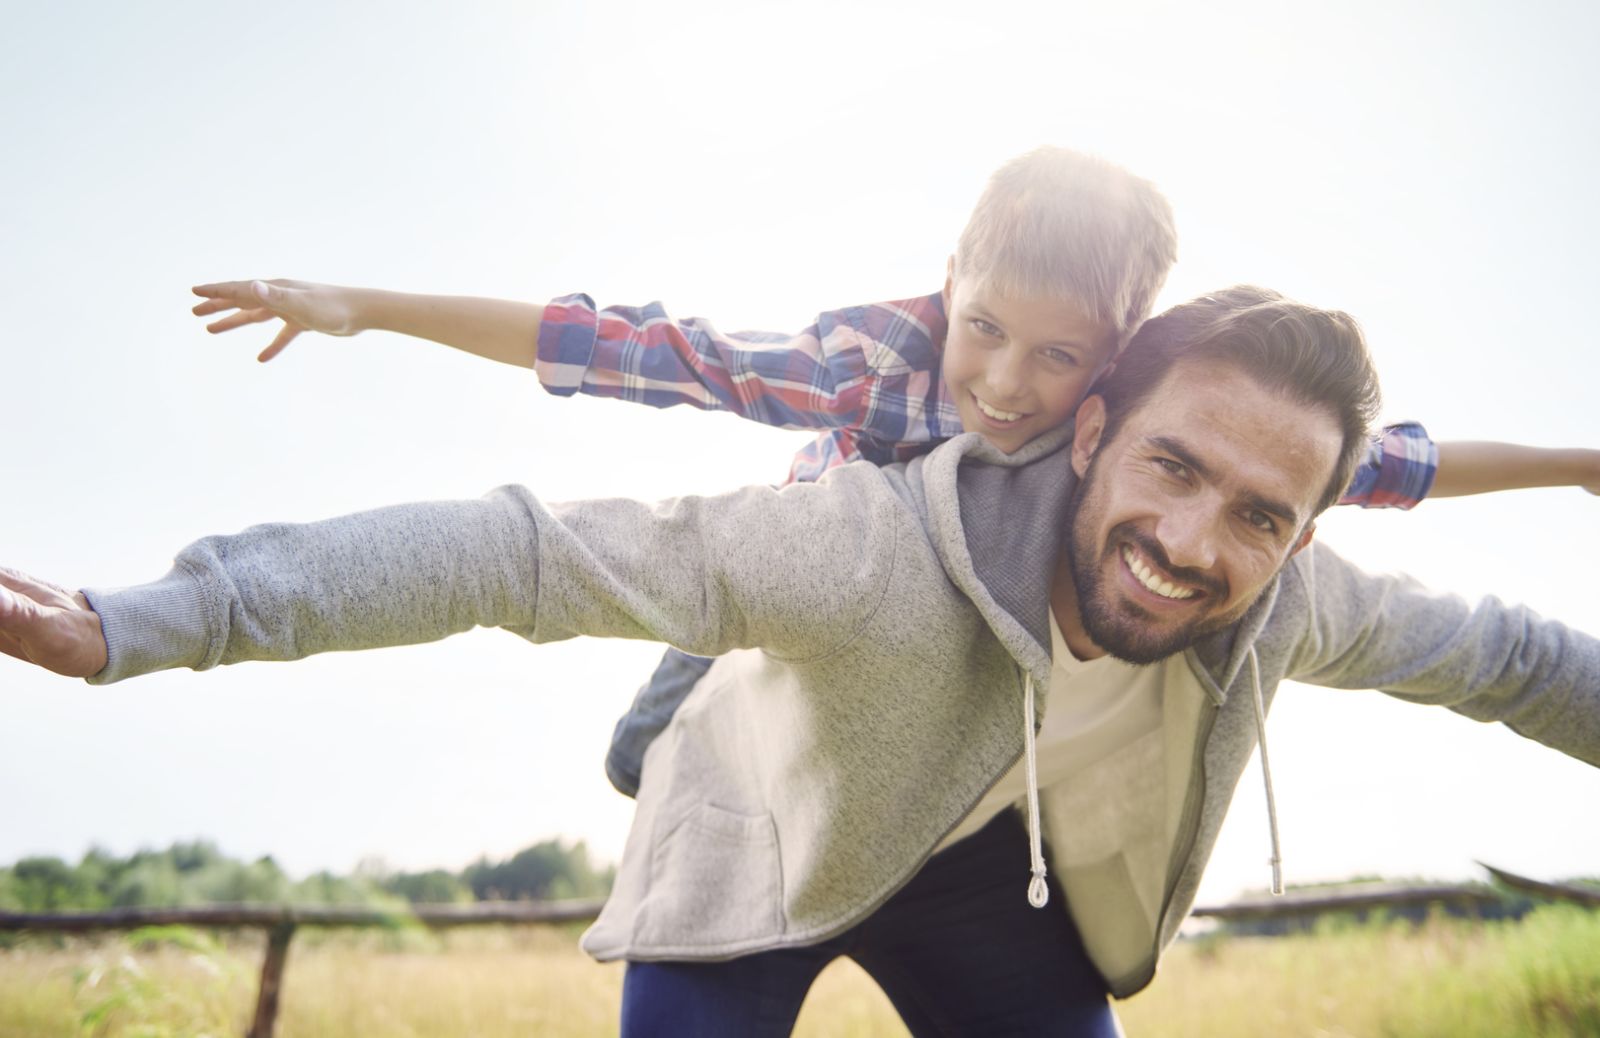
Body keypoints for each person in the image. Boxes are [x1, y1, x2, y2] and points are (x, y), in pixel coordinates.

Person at [4, 287, 1596, 1036]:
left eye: (1261, 511)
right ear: (1096, 430)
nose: (1193, 540)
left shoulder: (1285, 601)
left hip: (1003, 890)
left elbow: (1517, 657)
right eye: (1172, 469)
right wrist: (151, 618)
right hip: (758, 844)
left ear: (1311, 531)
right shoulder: (865, 541)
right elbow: (518, 549)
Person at [189, 150, 1600, 805]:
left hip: (971, 635)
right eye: (985, 327)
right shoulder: (863, 364)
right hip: (809, 578)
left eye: (1061, 361)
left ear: (1112, 367)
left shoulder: (1161, 407)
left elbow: (1390, 460)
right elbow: (630, 350)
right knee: (649, 738)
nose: (1006, 382)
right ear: (948, 283)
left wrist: (1575, 465)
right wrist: (363, 302)